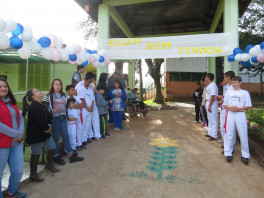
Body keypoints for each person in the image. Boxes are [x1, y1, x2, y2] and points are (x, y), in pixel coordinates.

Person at [22, 88, 60, 183]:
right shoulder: (33, 107)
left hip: (45, 132)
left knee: (52, 147)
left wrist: (49, 125)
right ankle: (33, 175)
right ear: (33, 96)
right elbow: (37, 121)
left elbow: (50, 116)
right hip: (35, 135)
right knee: (36, 154)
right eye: (36, 91)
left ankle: (49, 165)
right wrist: (47, 127)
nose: (39, 91)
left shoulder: (43, 104)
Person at [43, 79, 84, 165]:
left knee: (66, 135)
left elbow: (70, 105)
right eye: (56, 84)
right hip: (55, 119)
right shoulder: (49, 96)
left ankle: (71, 155)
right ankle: (56, 156)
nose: (58, 86)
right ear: (53, 86)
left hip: (63, 118)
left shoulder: (64, 95)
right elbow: (45, 108)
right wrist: (47, 121)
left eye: (59, 84)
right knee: (55, 138)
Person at [0, 78, 27, 198]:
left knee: (18, 170)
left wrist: (20, 131)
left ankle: (11, 192)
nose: (3, 88)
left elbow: (20, 118)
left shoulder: (12, 102)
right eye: (0, 86)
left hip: (16, 143)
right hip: (2, 143)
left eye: (5, 86)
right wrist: (15, 134)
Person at [223, 76, 252, 165]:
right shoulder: (229, 92)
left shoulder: (245, 93)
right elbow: (225, 104)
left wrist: (239, 108)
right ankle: (228, 152)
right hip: (231, 114)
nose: (234, 84)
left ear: (240, 82)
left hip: (240, 114)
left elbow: (248, 105)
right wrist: (230, 107)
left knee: (243, 134)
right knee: (229, 133)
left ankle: (245, 155)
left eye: (235, 82)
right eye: (233, 82)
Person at [65, 85, 86, 149]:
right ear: (67, 91)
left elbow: (82, 104)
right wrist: (76, 106)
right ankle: (73, 146)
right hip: (71, 120)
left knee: (79, 130)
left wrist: (74, 106)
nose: (74, 91)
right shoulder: (66, 98)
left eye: (74, 90)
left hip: (78, 116)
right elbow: (68, 106)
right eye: (72, 90)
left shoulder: (76, 97)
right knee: (72, 133)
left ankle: (79, 143)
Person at [204, 73, 218, 141]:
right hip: (208, 102)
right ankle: (210, 133)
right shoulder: (209, 85)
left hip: (212, 103)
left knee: (213, 120)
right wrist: (206, 104)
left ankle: (214, 135)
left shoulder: (213, 85)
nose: (205, 78)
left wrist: (209, 106)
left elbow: (213, 96)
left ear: (208, 77)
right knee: (209, 119)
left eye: (206, 77)